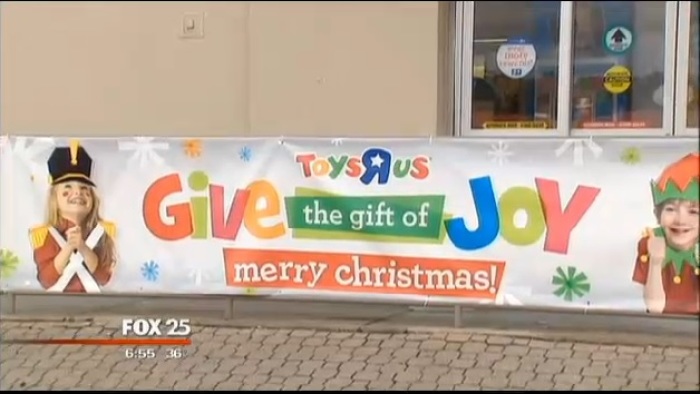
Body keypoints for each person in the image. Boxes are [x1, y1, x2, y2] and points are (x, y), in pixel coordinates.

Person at [28, 141, 117, 293]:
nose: (77, 193)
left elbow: (104, 277)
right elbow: (46, 279)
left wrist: (83, 247)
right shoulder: (45, 235)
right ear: (55, 199)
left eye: (84, 188)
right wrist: (69, 248)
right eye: (67, 188)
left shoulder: (102, 233)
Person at [633, 153, 699, 315]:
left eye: (693, 211)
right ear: (658, 214)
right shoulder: (650, 242)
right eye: (670, 209)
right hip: (663, 329)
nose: (681, 220)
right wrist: (655, 263)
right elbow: (655, 308)